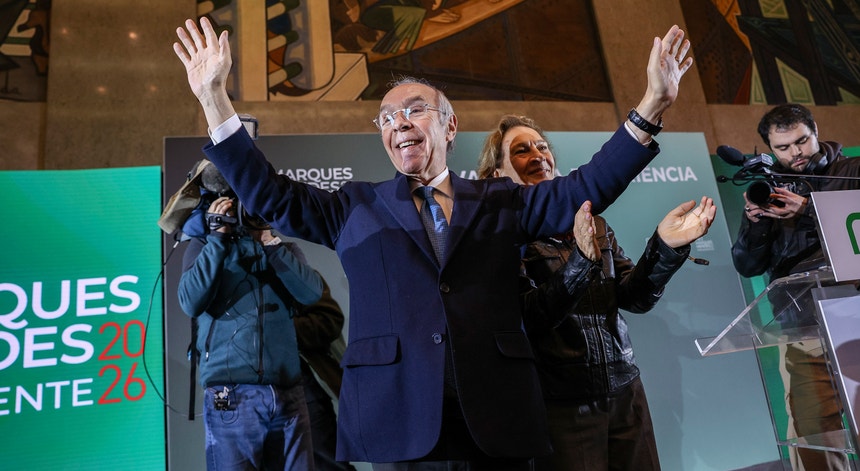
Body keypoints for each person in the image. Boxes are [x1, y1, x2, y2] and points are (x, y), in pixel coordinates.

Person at [172, 16, 693, 469]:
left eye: (416, 109)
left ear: (449, 126)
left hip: (498, 419)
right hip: (399, 422)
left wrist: (651, 104)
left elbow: (585, 187)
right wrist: (214, 98)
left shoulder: (500, 201)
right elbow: (270, 193)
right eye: (387, 118)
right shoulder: (354, 207)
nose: (400, 121)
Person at [477, 115, 716, 471]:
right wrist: (580, 262)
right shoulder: (500, 235)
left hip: (625, 391)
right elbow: (530, 316)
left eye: (542, 147)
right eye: (521, 150)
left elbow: (634, 298)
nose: (538, 155)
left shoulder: (594, 222)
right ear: (497, 173)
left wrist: (665, 247)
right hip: (561, 406)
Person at [731, 103, 860, 471]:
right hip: (801, 327)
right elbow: (747, 265)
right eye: (783, 148)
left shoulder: (852, 172)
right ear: (770, 148)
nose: (795, 153)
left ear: (815, 131)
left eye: (801, 141)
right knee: (813, 435)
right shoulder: (771, 188)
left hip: (854, 316)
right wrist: (756, 223)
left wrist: (807, 209)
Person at [175, 160, 323, 470]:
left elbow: (311, 294)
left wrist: (269, 242)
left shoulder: (283, 250)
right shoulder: (203, 246)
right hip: (232, 397)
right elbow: (190, 302)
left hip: (289, 393)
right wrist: (217, 239)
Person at [294, 278, 358, 471]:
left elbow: (330, 319)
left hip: (303, 389)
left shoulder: (292, 270)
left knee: (326, 462)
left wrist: (277, 330)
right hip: (244, 396)